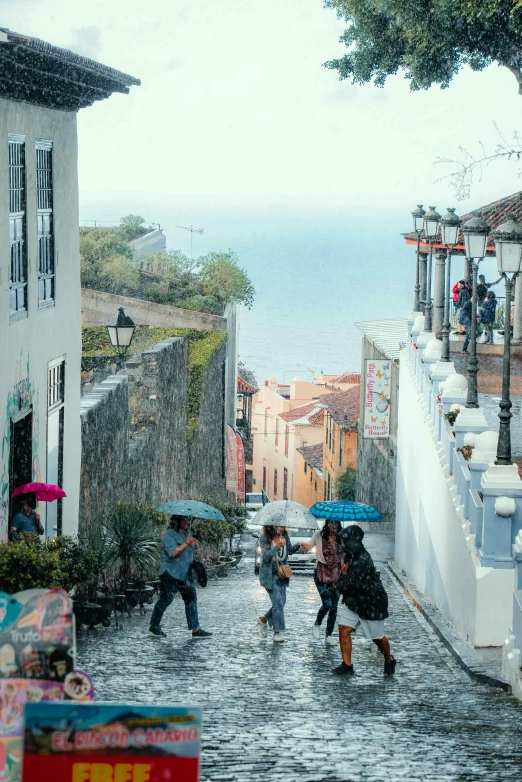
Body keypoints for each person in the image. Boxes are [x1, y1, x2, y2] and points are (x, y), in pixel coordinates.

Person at [327, 525, 396, 677]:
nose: (342, 544)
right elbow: (345, 577)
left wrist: (333, 590)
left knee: (377, 638)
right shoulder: (350, 556)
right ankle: (347, 665)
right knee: (344, 628)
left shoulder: (363, 559)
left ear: (352, 542)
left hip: (370, 603)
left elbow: (351, 581)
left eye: (344, 541)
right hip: (353, 601)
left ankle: (389, 659)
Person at [149, 515, 212, 639]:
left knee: (191, 599)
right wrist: (186, 543)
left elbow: (190, 551)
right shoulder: (169, 535)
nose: (187, 522)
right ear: (178, 521)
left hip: (184, 573)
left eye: (188, 519)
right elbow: (173, 553)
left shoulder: (187, 533)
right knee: (166, 599)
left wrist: (195, 543)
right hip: (170, 573)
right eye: (184, 520)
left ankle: (196, 629)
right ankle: (154, 626)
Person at [300, 519, 342, 645]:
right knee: (327, 604)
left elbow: (346, 555)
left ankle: (328, 635)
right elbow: (307, 548)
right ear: (327, 524)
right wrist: (304, 547)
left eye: (336, 523)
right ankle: (317, 624)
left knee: (334, 607)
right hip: (321, 573)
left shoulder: (341, 537)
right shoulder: (319, 535)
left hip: (336, 575)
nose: (333, 526)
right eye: (331, 523)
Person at [257, 524, 301, 642]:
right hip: (269, 573)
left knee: (282, 602)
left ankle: (264, 620)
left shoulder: (285, 535)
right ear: (271, 526)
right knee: (278, 602)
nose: (281, 528)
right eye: (278, 525)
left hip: (282, 571)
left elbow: (290, 550)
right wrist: (277, 546)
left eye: (283, 526)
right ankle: (277, 632)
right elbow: (265, 557)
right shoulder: (265, 537)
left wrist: (299, 545)